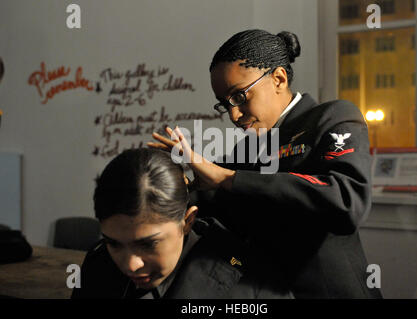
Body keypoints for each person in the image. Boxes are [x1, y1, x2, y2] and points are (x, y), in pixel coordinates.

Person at [148, 29, 383, 298]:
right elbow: (221, 208)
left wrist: (227, 178)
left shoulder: (332, 117)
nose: (234, 115)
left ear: (279, 79)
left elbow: (346, 201)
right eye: (225, 104)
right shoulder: (249, 147)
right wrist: (179, 186)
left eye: (239, 96)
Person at [71, 148, 294, 299]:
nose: (131, 264)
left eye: (148, 244)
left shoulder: (251, 285)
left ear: (187, 221)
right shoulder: (98, 264)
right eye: (115, 244)